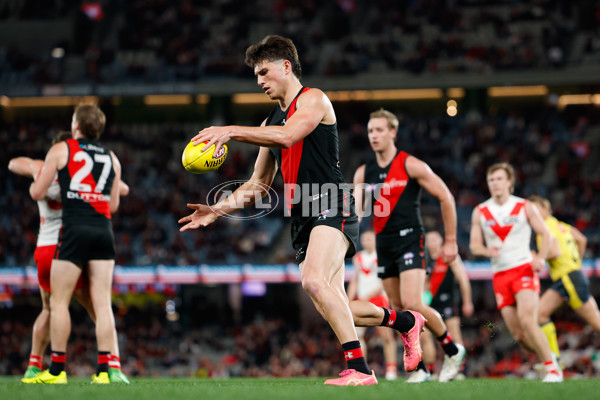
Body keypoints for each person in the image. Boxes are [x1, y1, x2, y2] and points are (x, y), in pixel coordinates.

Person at [178, 35, 425, 386]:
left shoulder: (313, 99)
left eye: (264, 72)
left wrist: (230, 130)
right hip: (302, 215)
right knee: (336, 306)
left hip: (331, 200)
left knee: (312, 281)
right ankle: (406, 322)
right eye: (255, 75)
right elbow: (258, 185)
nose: (260, 81)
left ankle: (360, 369)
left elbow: (289, 136)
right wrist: (217, 210)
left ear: (286, 66)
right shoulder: (268, 122)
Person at [351, 108, 465, 382]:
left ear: (392, 132)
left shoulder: (410, 164)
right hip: (383, 244)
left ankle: (452, 349)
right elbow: (357, 210)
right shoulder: (363, 172)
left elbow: (446, 197)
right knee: (401, 310)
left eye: (379, 130)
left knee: (414, 303)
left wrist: (450, 240)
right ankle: (422, 370)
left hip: (411, 239)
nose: (374, 135)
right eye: (370, 131)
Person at [9, 132, 130, 384]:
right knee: (98, 307)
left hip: (47, 247)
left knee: (51, 307)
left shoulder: (44, 168)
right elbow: (122, 189)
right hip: (75, 244)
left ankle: (35, 365)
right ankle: (113, 366)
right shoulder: (83, 175)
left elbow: (13, 163)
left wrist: (37, 169)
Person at [469, 163, 562, 382]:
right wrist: (485, 250)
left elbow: (547, 234)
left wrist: (539, 257)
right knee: (519, 334)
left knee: (528, 321)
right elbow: (474, 245)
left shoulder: (524, 206)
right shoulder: (480, 211)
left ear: (509, 182)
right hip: (500, 275)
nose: (495, 183)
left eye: (500, 179)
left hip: (523, 269)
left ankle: (551, 368)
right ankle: (551, 359)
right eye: (491, 180)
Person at [529, 195, 600, 362]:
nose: (532, 214)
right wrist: (576, 262)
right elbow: (581, 239)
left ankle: (553, 358)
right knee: (540, 313)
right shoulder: (561, 226)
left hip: (568, 278)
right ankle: (553, 359)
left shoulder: (544, 229)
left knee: (596, 322)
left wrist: (536, 256)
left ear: (546, 210)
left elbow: (554, 252)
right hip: (570, 277)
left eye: (536, 209)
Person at [408, 230, 474, 382]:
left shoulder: (450, 256)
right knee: (425, 336)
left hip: (449, 301)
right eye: (429, 240)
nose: (431, 242)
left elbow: (463, 279)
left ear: (441, 241)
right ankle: (430, 371)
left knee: (454, 335)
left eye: (434, 239)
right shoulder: (423, 258)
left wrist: (467, 301)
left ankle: (458, 370)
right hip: (430, 304)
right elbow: (423, 283)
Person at [346, 230, 398, 380]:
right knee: (356, 336)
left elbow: (384, 281)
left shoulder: (382, 256)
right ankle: (361, 368)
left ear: (375, 240)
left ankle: (391, 369)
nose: (367, 242)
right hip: (361, 299)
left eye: (370, 239)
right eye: (365, 239)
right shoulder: (358, 257)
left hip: (378, 298)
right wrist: (349, 299)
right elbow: (355, 280)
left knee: (386, 336)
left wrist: (371, 295)